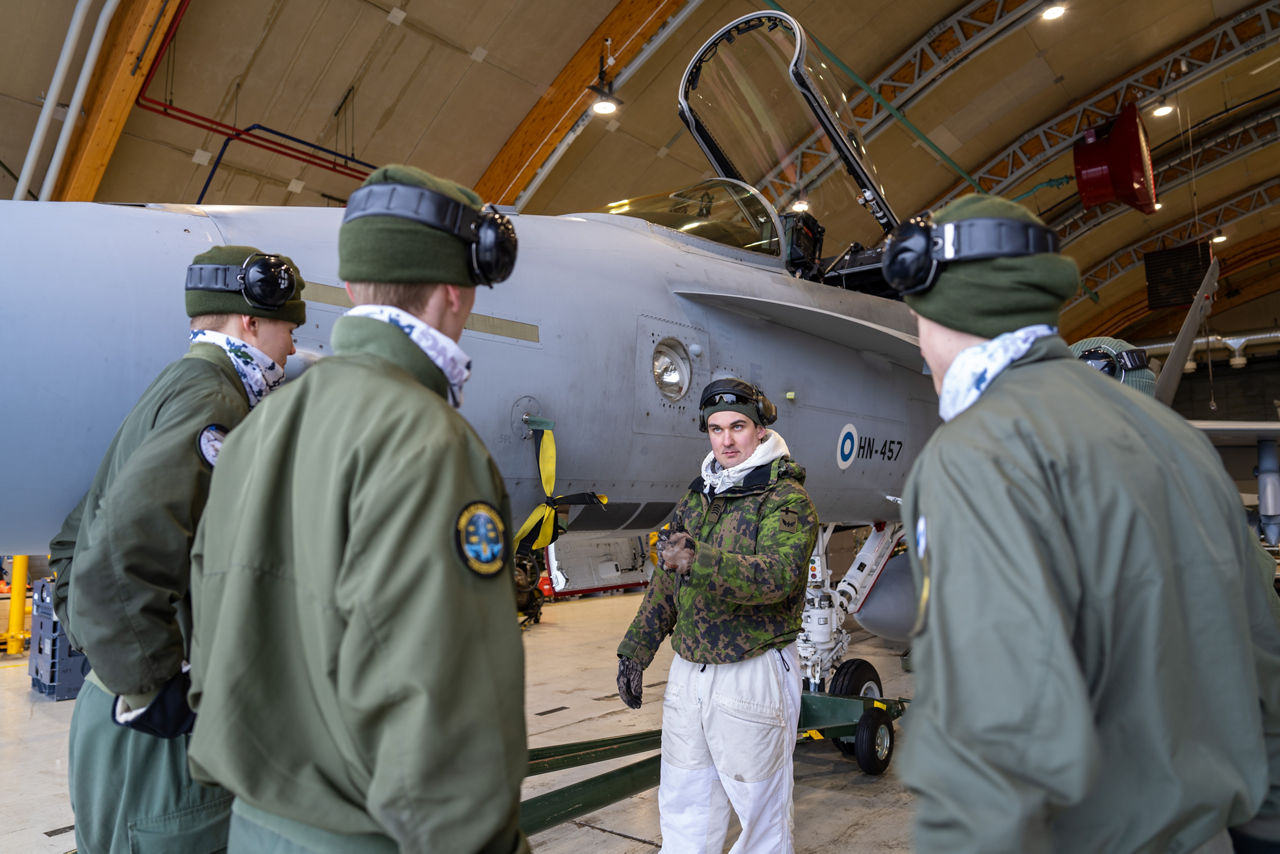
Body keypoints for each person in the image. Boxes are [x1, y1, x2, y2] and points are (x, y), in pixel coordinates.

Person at [881, 192, 1280, 853]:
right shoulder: (1176, 439)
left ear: (938, 306)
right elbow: (1265, 665)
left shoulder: (977, 456)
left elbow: (993, 742)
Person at [186, 165, 528, 854]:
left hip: (253, 830)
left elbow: (209, 626)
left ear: (351, 289)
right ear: (459, 295)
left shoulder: (261, 426)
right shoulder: (430, 443)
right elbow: (444, 709)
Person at [48, 245, 306, 854]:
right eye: (289, 329)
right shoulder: (215, 402)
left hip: (114, 725)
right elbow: (117, 551)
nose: (292, 349)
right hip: (160, 750)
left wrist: (108, 667)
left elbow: (73, 539)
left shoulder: (177, 384)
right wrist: (153, 689)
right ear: (250, 322)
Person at [617, 377, 819, 854]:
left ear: (761, 429)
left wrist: (699, 559)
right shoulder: (698, 495)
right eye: (715, 429)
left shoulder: (786, 499)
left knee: (761, 820)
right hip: (690, 674)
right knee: (685, 806)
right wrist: (636, 649)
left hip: (751, 670)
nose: (726, 441)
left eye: (738, 427)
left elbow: (778, 577)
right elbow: (667, 580)